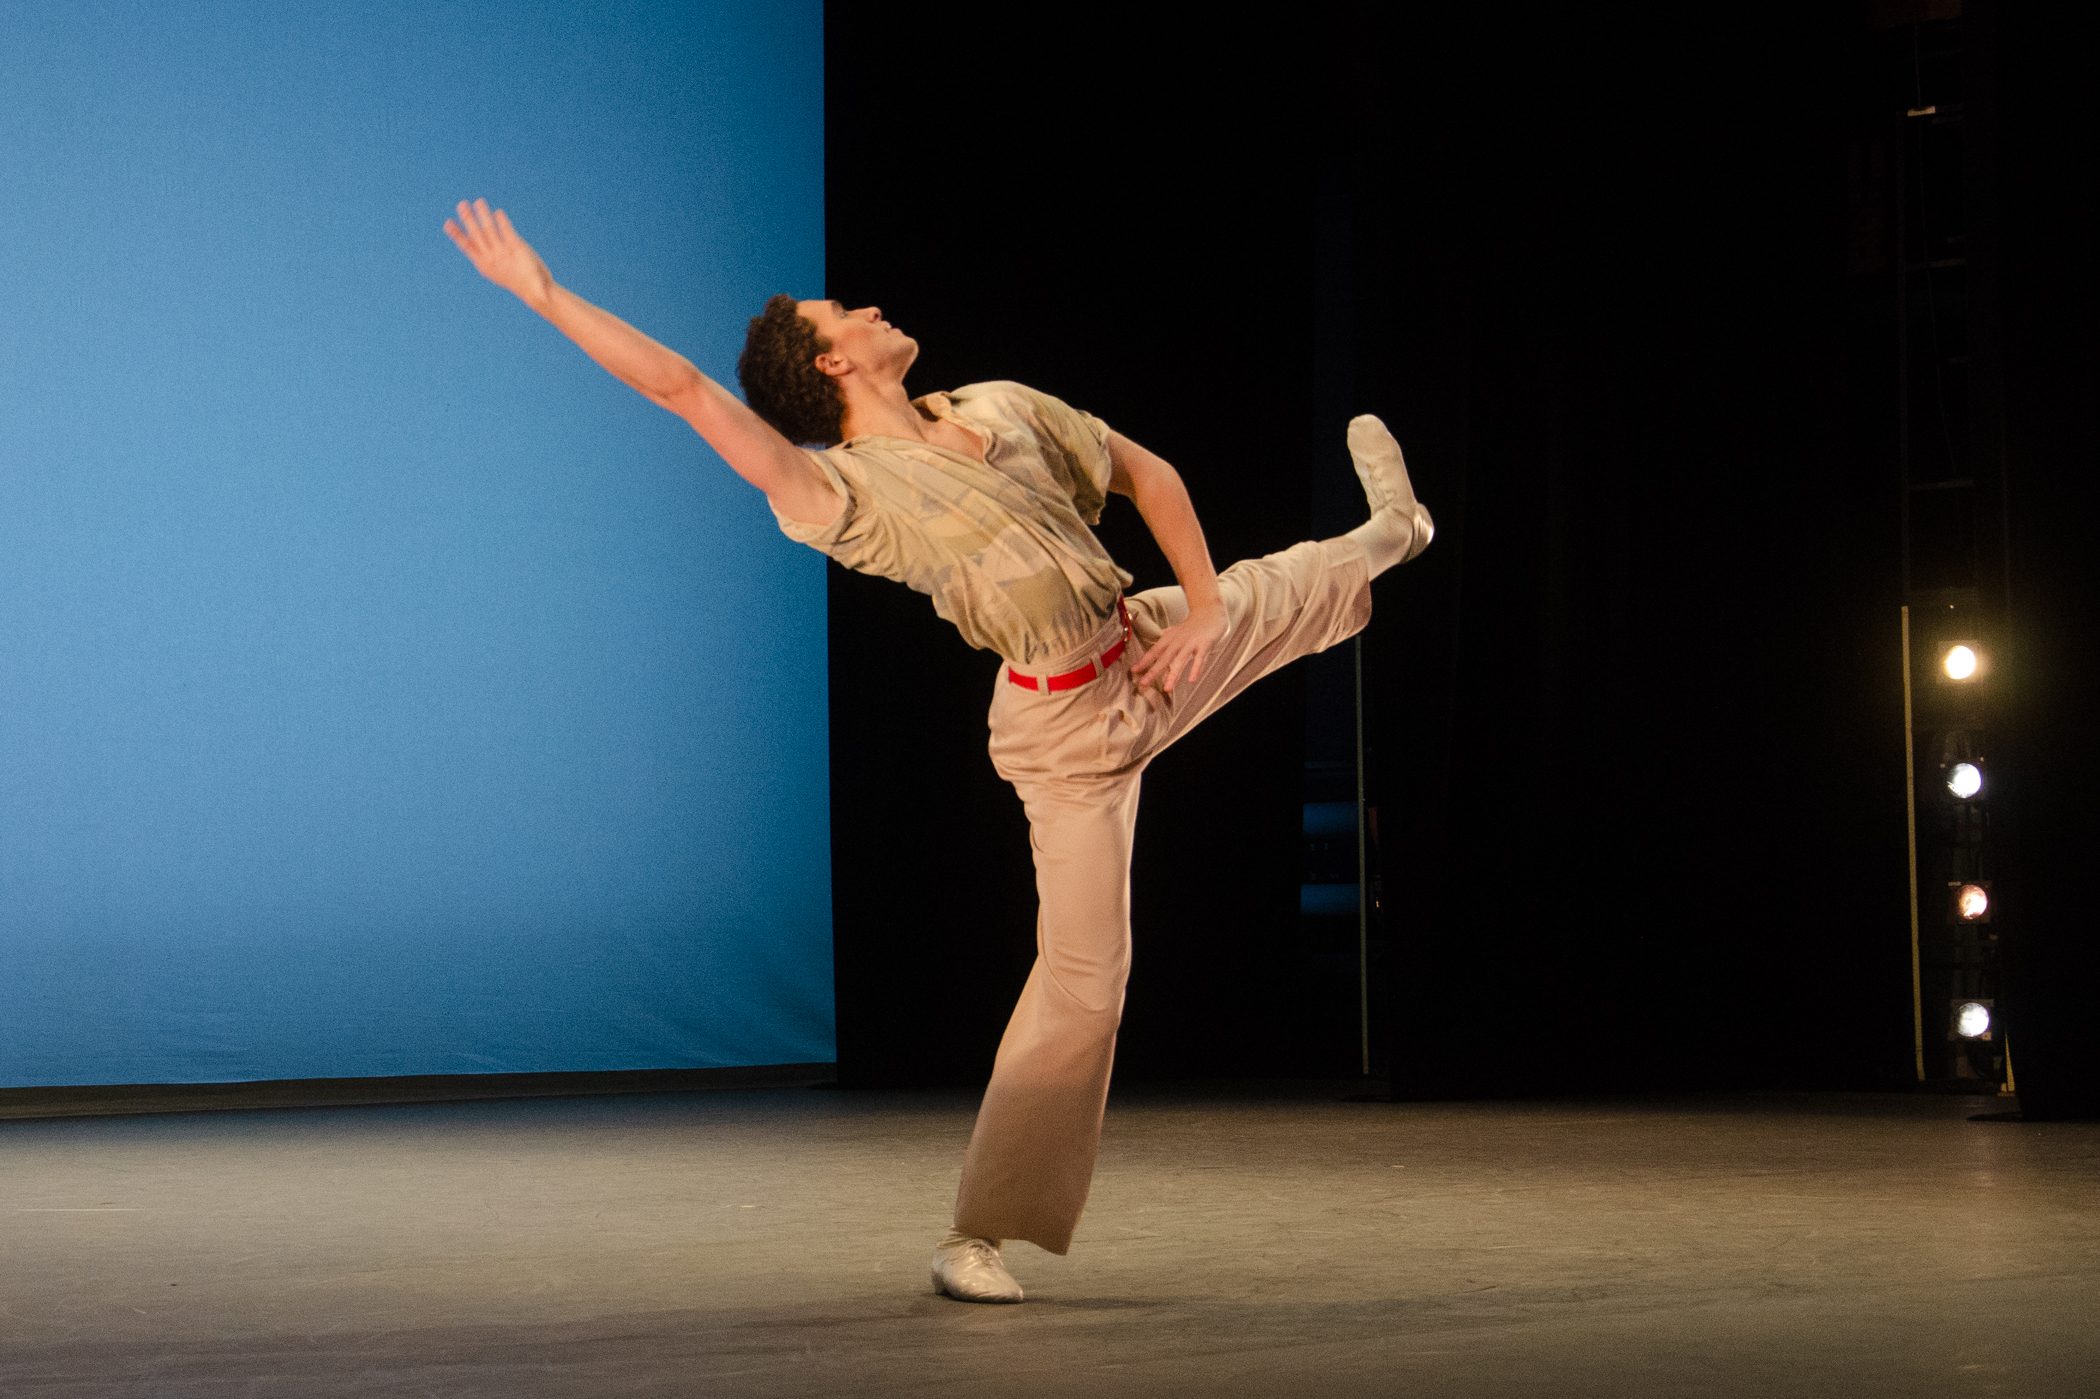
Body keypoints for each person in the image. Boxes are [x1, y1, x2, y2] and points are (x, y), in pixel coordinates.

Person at [444, 198, 1433, 1304]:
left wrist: (1201, 613)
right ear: (831, 361)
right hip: (1065, 734)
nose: (871, 307)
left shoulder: (1001, 406)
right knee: (1088, 982)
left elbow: (1150, 475)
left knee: (1271, 589)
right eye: (845, 312)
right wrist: (542, 292)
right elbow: (684, 389)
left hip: (1148, 648)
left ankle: (1397, 529)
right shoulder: (843, 495)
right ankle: (976, 1233)